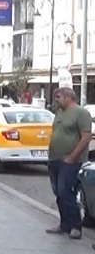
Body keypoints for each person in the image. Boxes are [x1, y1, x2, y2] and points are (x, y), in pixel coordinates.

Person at [44, 87, 91, 240]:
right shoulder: (59, 112)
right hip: (55, 159)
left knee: (66, 191)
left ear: (67, 97)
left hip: (70, 160)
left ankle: (76, 226)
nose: (56, 100)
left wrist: (72, 157)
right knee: (58, 192)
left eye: (58, 97)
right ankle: (64, 224)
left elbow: (85, 137)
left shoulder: (81, 113)